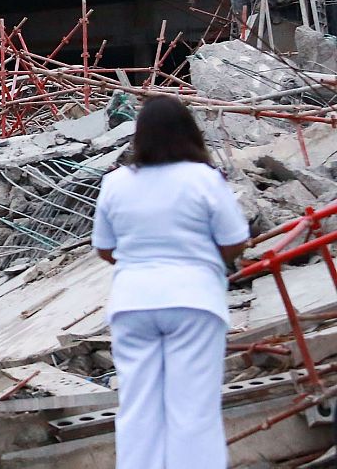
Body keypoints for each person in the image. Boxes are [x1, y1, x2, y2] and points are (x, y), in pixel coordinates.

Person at [92, 96, 249, 469]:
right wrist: (205, 261)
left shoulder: (115, 183)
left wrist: (136, 263)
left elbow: (104, 248)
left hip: (133, 303)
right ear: (189, 133)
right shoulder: (204, 178)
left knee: (138, 407)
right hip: (194, 300)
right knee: (193, 409)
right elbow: (235, 238)